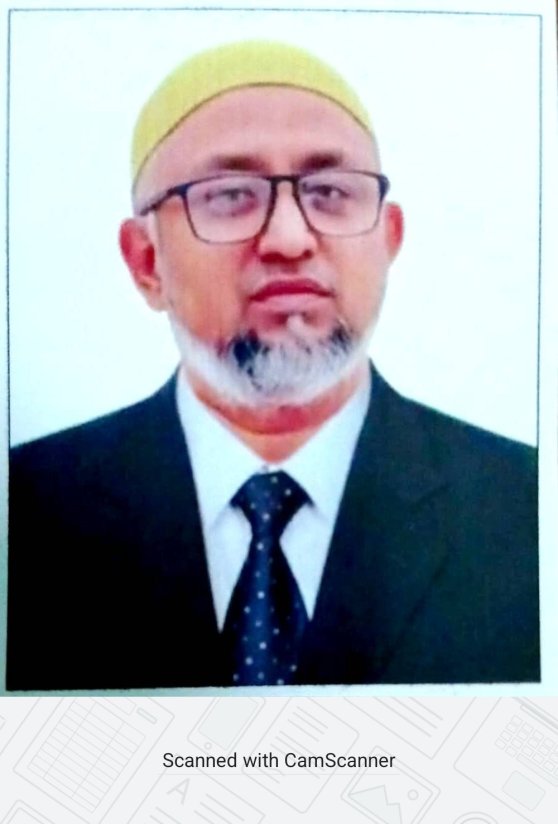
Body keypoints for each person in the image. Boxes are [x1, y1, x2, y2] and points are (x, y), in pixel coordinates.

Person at [7, 41, 538, 691]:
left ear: (388, 239)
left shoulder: (527, 509)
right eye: (231, 195)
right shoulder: (25, 514)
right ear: (146, 262)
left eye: (331, 192)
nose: (289, 239)